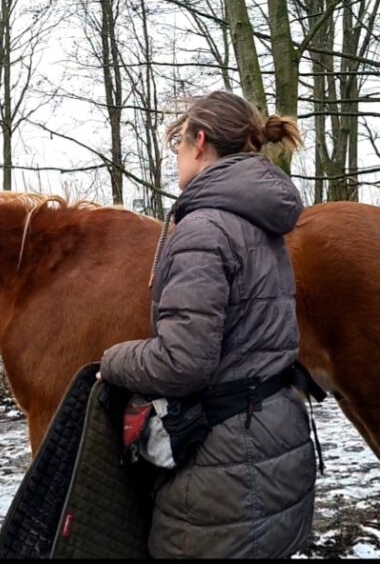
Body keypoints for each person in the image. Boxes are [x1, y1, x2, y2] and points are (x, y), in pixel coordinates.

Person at [98, 90, 316, 558]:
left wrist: (113, 360)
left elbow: (183, 362)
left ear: (199, 142)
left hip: (226, 471)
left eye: (177, 145)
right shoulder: (262, 222)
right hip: (278, 441)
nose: (175, 159)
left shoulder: (205, 228)